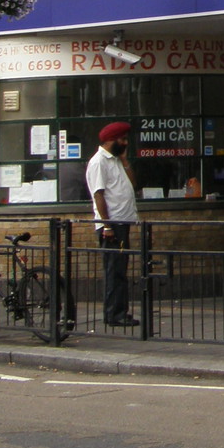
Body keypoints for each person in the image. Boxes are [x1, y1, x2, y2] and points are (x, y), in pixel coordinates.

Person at [86, 121, 140, 327]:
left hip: (123, 221)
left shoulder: (116, 160)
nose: (125, 143)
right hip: (112, 224)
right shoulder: (98, 162)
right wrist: (106, 225)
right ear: (111, 140)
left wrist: (126, 161)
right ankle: (113, 314)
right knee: (114, 270)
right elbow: (98, 194)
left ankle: (120, 311)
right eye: (123, 140)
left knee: (120, 269)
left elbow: (133, 184)